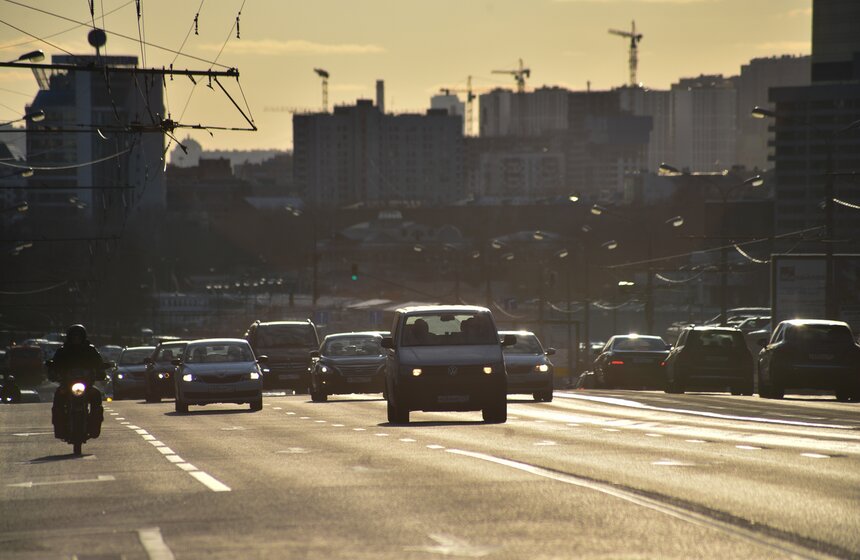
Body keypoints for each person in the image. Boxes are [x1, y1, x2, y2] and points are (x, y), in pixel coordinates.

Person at [48, 324, 106, 439]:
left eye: (78, 336)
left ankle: (94, 426)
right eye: (73, 336)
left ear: (83, 337)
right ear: (69, 337)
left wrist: (101, 370)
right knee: (58, 397)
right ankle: (60, 428)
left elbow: (99, 363)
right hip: (67, 386)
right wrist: (53, 370)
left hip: (86, 386)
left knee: (96, 395)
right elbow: (54, 364)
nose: (76, 339)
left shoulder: (90, 350)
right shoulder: (63, 351)